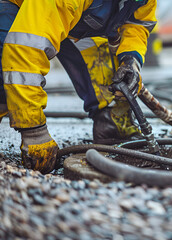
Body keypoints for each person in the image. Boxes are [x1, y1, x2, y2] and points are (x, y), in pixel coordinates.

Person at [0, 0, 157, 174]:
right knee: (7, 76)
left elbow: (138, 23)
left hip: (78, 20)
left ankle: (112, 125)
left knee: (110, 63)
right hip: (14, 7)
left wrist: (130, 60)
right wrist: (34, 132)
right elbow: (24, 51)